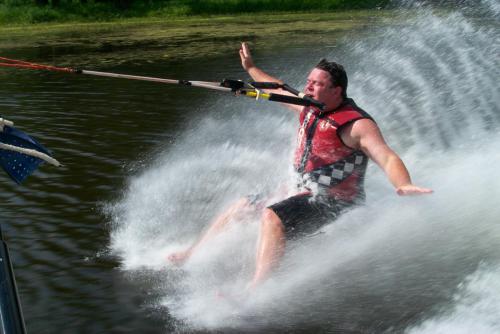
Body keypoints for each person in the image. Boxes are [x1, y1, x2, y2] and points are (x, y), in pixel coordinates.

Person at [168, 42, 432, 290]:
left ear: (336, 90)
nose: (309, 88)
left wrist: (403, 183)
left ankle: (257, 290)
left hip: (335, 201)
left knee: (272, 216)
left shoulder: (356, 125)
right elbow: (277, 88)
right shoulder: (308, 106)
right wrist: (250, 69)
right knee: (242, 205)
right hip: (303, 189)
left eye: (317, 84)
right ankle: (192, 255)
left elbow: (386, 156)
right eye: (309, 82)